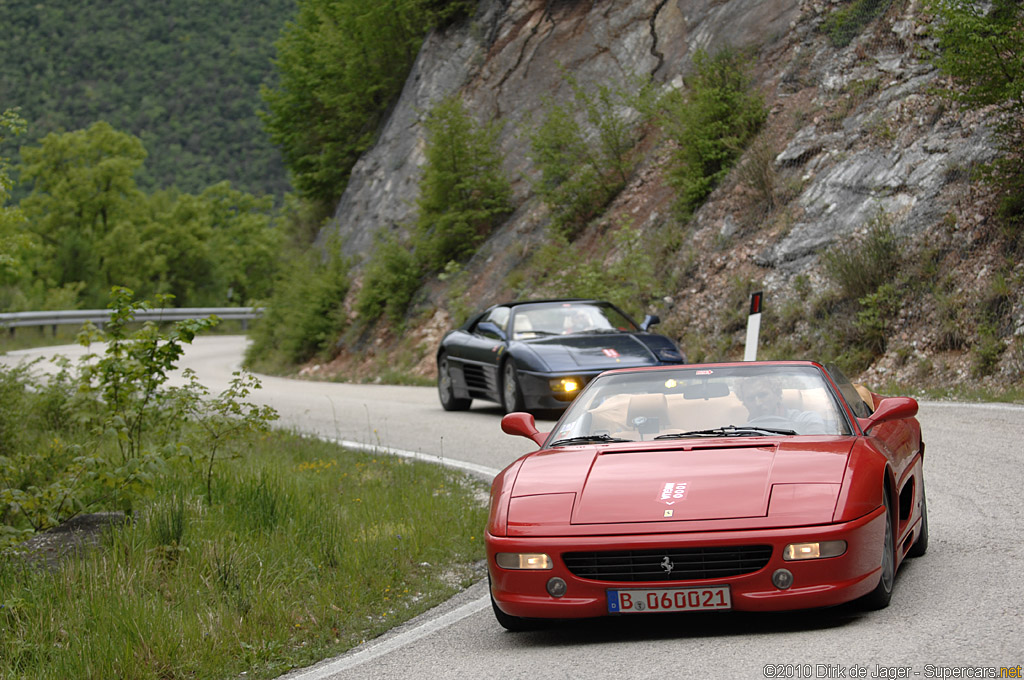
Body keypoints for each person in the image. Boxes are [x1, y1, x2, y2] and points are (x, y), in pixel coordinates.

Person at [737, 377, 829, 434]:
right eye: (750, 398)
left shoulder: (806, 420)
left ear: (777, 394)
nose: (758, 403)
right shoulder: (739, 433)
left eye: (763, 395)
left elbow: (818, 450)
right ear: (744, 403)